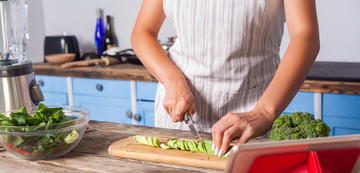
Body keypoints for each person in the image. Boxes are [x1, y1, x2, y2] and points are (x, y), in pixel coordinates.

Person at [131, 0, 319, 157]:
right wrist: (172, 81)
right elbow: (143, 31)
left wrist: (263, 112)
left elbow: (305, 34)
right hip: (180, 112)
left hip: (251, 113)